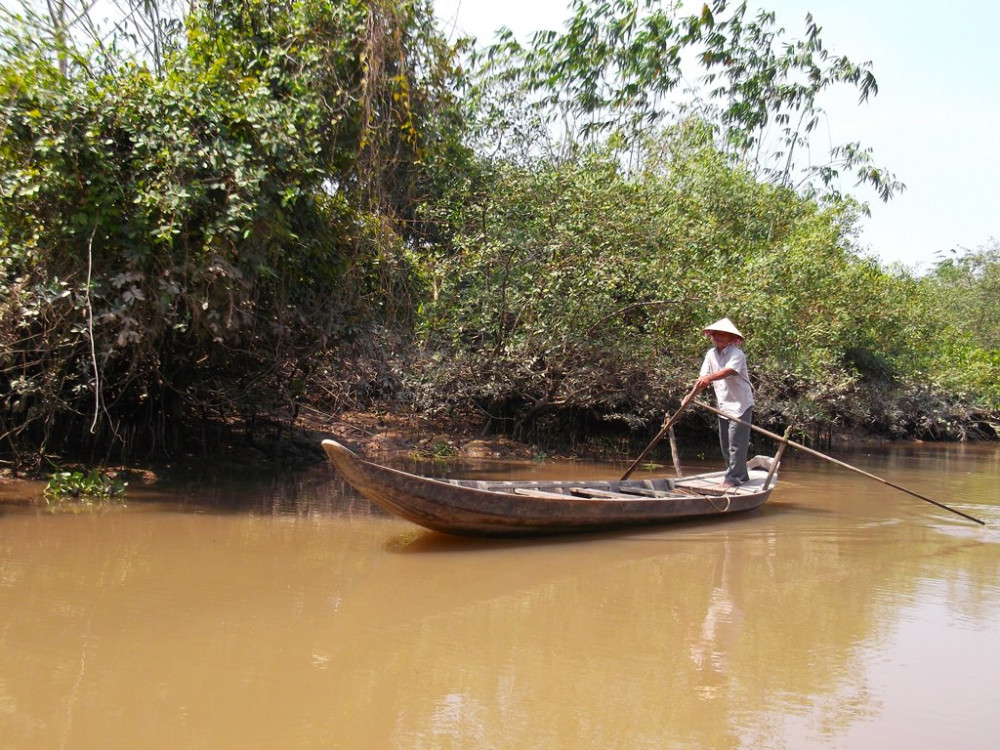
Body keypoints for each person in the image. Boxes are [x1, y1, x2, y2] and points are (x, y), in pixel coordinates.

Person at [693, 318, 754, 488]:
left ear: (730, 337)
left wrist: (709, 378)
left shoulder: (737, 354)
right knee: (725, 444)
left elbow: (729, 371)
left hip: (740, 404)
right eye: (716, 334)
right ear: (711, 336)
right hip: (724, 405)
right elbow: (703, 378)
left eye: (723, 334)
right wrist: (690, 396)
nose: (719, 337)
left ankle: (732, 477)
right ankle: (740, 474)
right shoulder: (710, 354)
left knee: (736, 443)